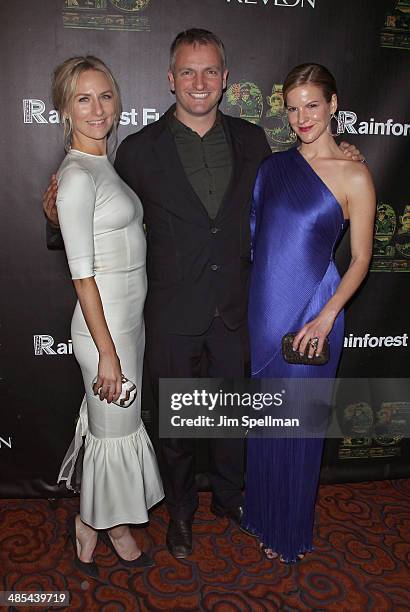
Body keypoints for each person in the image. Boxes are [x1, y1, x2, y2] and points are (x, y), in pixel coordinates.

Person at [43, 31, 363, 560]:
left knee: (230, 419)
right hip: (170, 312)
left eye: (210, 71)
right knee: (175, 426)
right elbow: (96, 215)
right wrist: (54, 217)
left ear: (225, 79)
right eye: (188, 72)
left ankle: (230, 498)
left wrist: (346, 149)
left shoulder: (254, 142)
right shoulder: (139, 150)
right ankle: (182, 513)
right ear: (170, 79)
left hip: (240, 310)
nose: (199, 82)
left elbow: (307, 179)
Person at [242, 63, 375, 563]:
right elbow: (258, 243)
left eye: (312, 105)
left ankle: (289, 531)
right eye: (292, 108)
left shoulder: (355, 174)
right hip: (266, 310)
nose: (301, 117)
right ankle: (260, 516)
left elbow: (362, 259)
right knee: (268, 423)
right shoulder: (273, 169)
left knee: (299, 429)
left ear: (333, 104)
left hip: (318, 309)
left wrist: (325, 317)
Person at [51, 56, 163, 578]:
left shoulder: (101, 163)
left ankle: (96, 523)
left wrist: (123, 342)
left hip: (126, 326)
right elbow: (82, 276)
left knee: (110, 430)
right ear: (64, 109)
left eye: (105, 96)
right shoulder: (76, 176)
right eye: (83, 98)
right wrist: (109, 354)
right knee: (113, 435)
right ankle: (104, 526)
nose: (98, 109)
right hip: (105, 333)